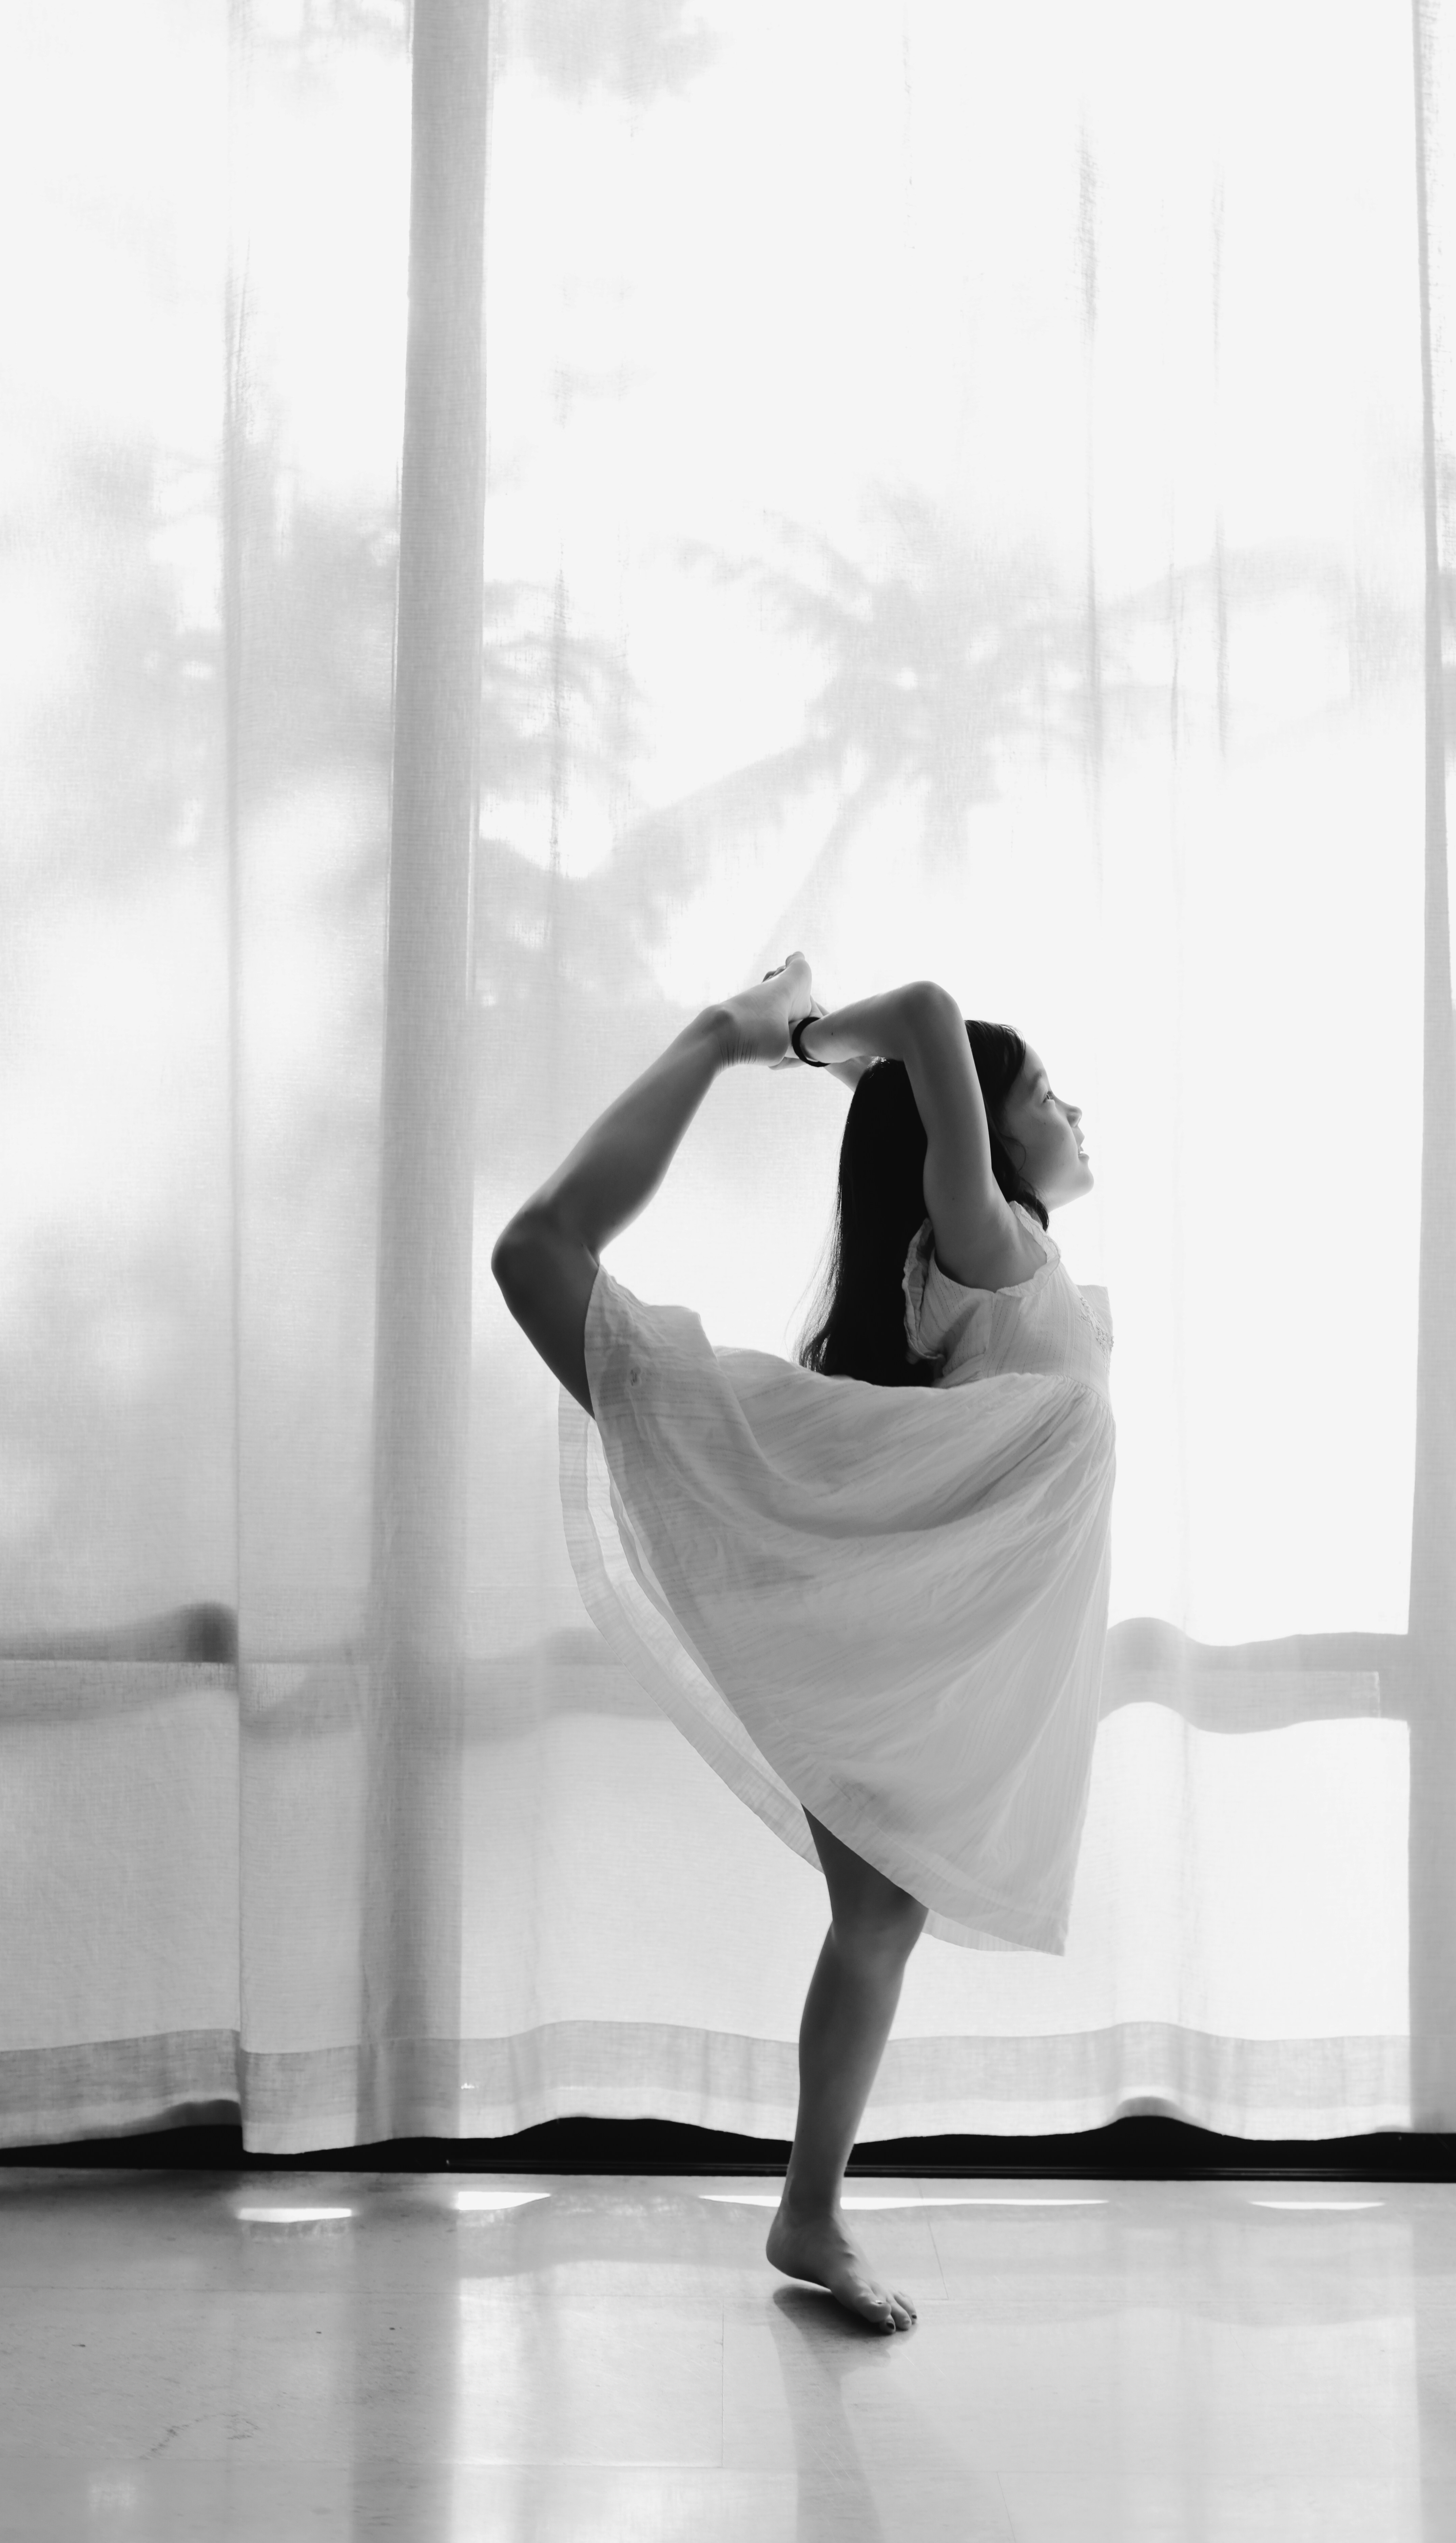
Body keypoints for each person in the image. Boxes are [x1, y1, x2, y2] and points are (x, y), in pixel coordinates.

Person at [490, 953, 1115, 2333]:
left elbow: (928, 1076)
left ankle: (808, 2211)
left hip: (893, 1613)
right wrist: (792, 1035)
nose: (1075, 1114)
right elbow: (934, 1011)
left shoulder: (1008, 1263)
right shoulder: (989, 1240)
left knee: (880, 1917)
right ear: (985, 1141)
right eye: (1046, 1096)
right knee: (534, 1254)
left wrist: (849, 1069)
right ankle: (711, 1031)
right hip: (871, 1580)